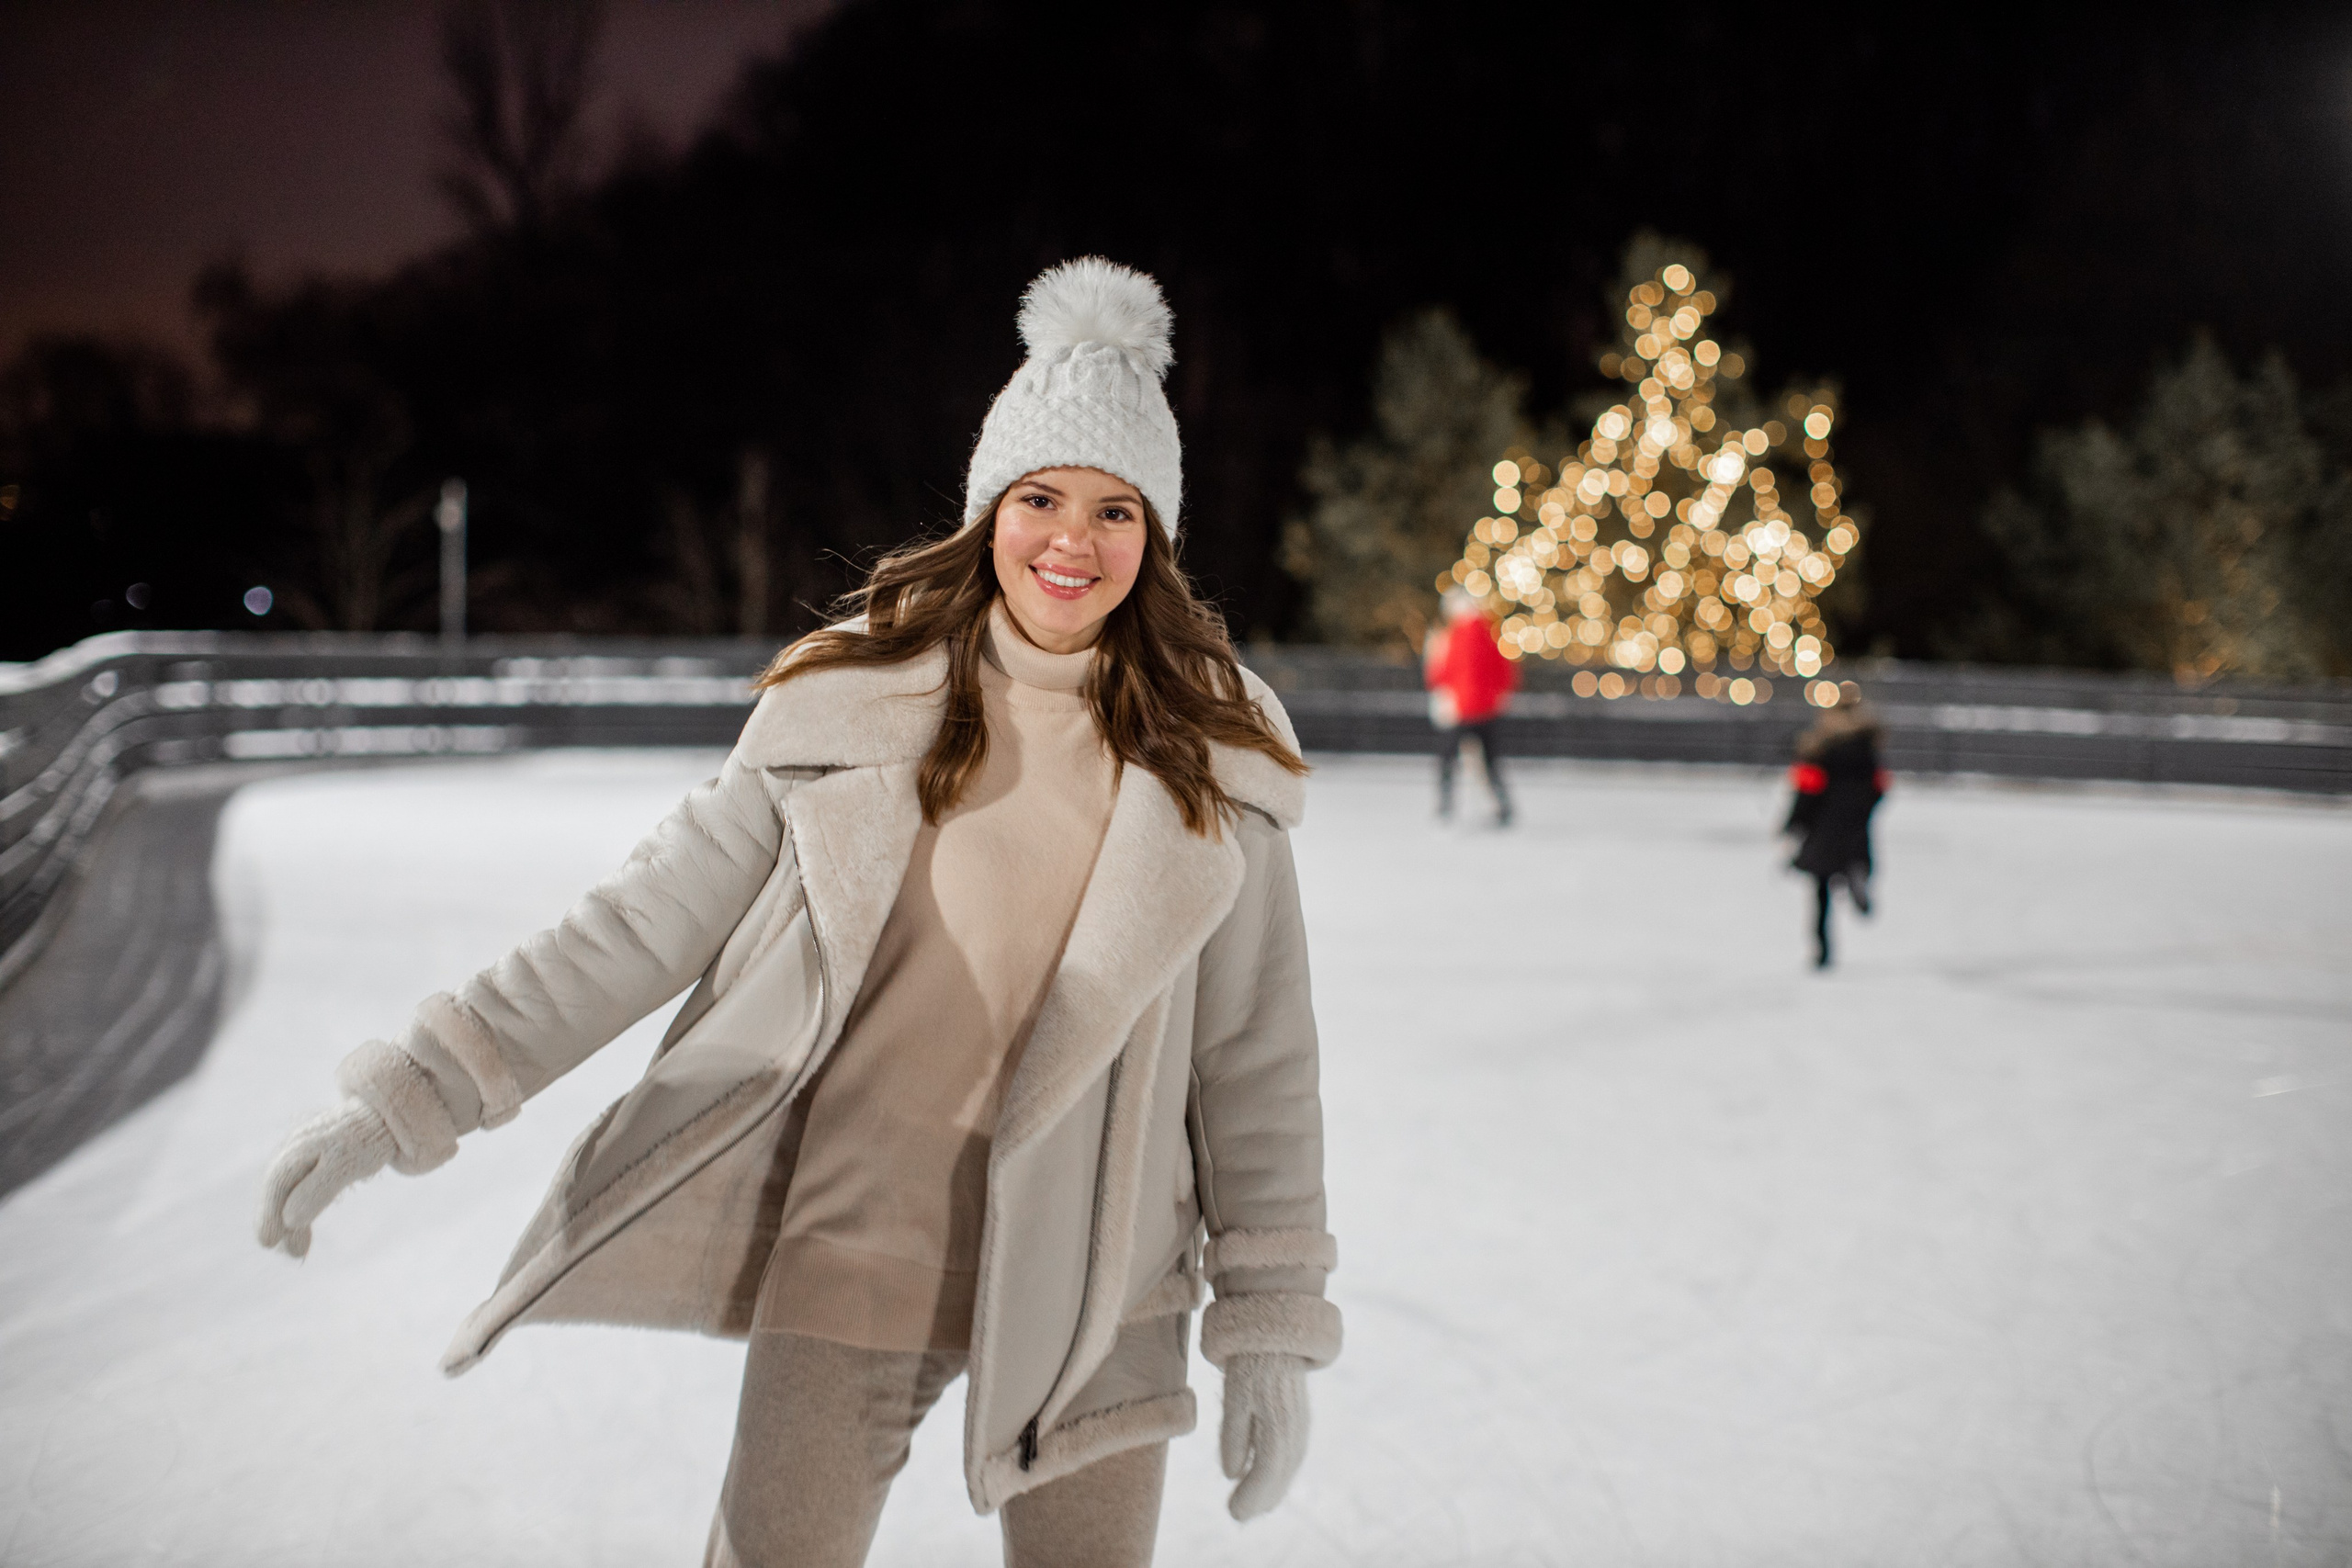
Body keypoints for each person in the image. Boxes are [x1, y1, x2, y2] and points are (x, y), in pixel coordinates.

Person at [255, 259, 1340, 1568]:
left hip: (1105, 1286)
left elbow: (1253, 1062)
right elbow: (635, 925)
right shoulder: (845, 711)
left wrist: (1270, 1322)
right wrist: (406, 1096)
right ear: (989, 509)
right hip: (856, 1255)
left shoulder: (1211, 763)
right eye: (1041, 497)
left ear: (1154, 539)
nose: (1073, 537)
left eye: (1116, 509)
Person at [1782, 687, 1888, 968]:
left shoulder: (1819, 747)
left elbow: (1807, 791)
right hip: (1855, 823)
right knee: (1852, 861)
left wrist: (1794, 823)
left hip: (1824, 826)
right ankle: (1856, 874)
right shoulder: (1867, 748)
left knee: (1821, 890)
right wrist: (1862, 811)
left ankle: (1823, 950)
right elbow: (1880, 787)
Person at [1424, 588, 1518, 825]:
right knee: (1490, 761)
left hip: (1460, 709)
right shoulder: (1490, 632)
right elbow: (1506, 670)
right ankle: (1503, 806)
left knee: (1448, 759)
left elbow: (1441, 672)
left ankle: (1446, 806)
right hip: (1488, 709)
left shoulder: (1453, 635)